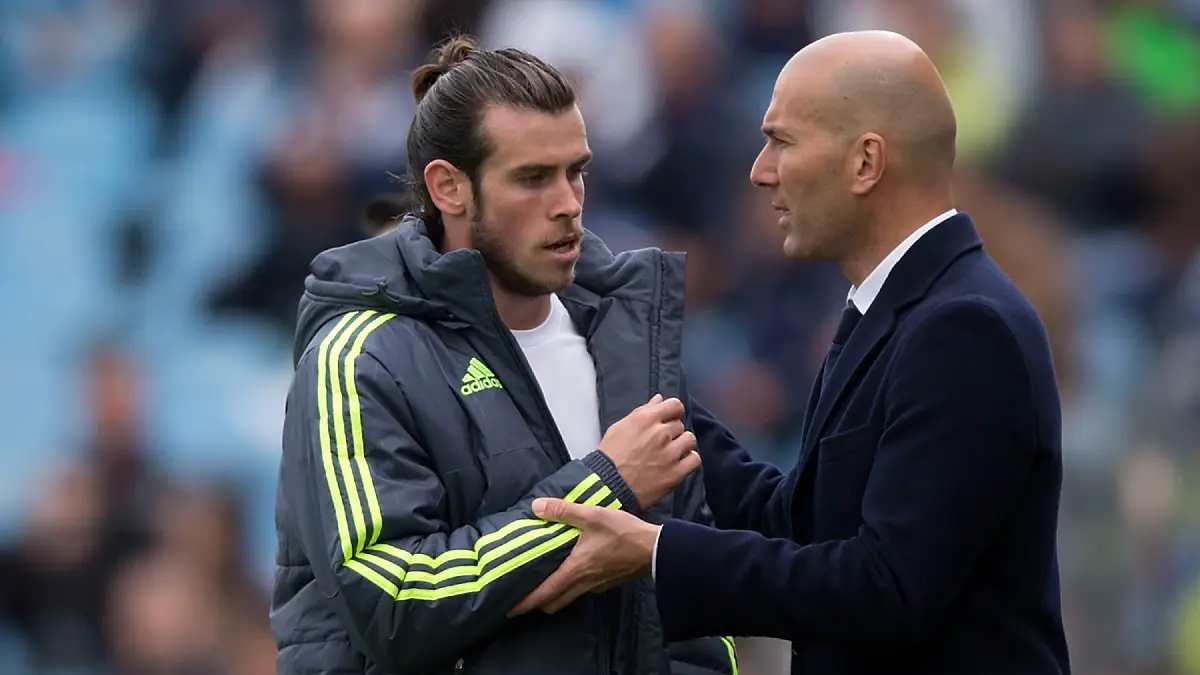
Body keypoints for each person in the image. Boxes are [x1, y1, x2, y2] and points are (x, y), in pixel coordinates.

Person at [511, 30, 1072, 675]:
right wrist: (641, 396)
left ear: (865, 163)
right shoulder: (898, 307)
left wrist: (659, 553)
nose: (760, 170)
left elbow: (886, 590)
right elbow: (801, 527)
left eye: (782, 141)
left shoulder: (965, 328)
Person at [271, 36, 737, 675]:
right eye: (533, 178)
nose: (568, 203)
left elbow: (686, 598)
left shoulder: (628, 340)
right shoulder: (357, 359)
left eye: (576, 171)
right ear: (449, 188)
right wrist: (606, 486)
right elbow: (392, 602)